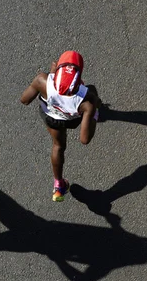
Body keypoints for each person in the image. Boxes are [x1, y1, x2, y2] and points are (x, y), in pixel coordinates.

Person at [20, 51, 101, 201]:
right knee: (93, 91)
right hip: (72, 120)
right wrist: (93, 113)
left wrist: (51, 74)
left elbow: (25, 100)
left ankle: (59, 185)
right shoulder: (87, 98)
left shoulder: (41, 80)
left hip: (51, 118)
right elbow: (84, 139)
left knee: (58, 146)